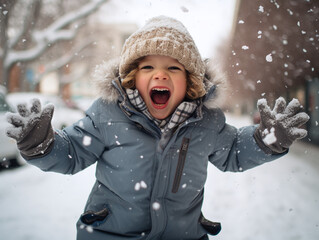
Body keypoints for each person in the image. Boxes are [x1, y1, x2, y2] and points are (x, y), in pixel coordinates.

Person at [6, 16, 309, 240]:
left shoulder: (206, 122)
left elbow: (234, 153)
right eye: (147, 67)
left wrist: (266, 141)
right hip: (112, 234)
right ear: (131, 78)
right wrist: (42, 145)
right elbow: (71, 153)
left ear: (190, 81)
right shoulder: (108, 114)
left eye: (173, 68)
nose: (160, 75)